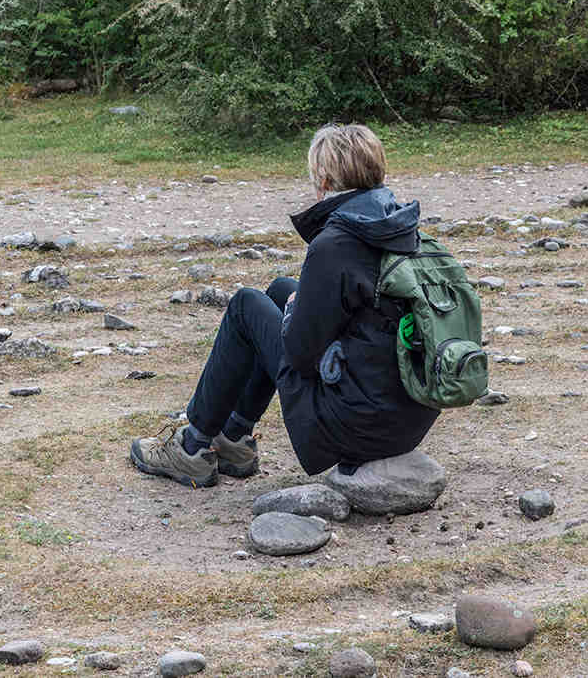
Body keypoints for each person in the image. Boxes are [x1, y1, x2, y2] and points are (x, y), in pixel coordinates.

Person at [131, 123, 440, 487]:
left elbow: (300, 355)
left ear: (324, 178)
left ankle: (192, 445)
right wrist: (296, 302)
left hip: (358, 426)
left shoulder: (337, 243)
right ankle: (234, 438)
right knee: (280, 289)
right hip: (404, 416)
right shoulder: (397, 224)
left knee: (247, 305)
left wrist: (295, 311)